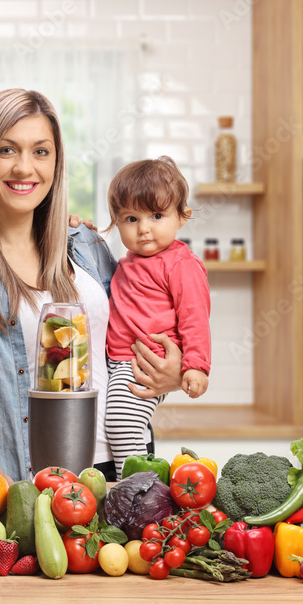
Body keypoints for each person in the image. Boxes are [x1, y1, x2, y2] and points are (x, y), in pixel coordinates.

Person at [0, 89, 183, 483]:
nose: (25, 168)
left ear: (56, 162)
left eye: (41, 152)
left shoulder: (89, 248)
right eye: (6, 150)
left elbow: (137, 340)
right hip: (25, 481)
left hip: (123, 473)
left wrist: (170, 374)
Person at [104, 156, 211, 475]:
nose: (144, 228)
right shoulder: (131, 260)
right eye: (131, 219)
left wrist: (196, 367)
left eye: (156, 215)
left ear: (182, 217)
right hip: (119, 361)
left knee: (122, 422)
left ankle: (135, 489)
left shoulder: (180, 264)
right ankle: (144, 485)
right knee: (126, 427)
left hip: (145, 361)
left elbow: (195, 319)